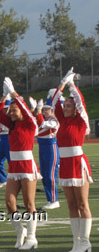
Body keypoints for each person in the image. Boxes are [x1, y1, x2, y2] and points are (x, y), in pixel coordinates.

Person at [0, 77, 41, 250]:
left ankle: (32, 237)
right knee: (9, 202)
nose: (12, 113)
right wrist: (4, 97)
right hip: (14, 166)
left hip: (27, 166)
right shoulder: (10, 125)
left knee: (29, 203)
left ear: (22, 111)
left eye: (15, 110)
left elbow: (27, 111)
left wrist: (14, 93)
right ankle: (20, 231)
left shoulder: (29, 123)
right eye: (11, 111)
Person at [52, 67, 93, 252]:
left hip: (78, 162)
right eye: (65, 106)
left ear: (75, 109)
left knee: (82, 203)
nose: (65, 108)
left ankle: (85, 242)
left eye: (69, 106)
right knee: (71, 204)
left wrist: (72, 86)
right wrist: (62, 83)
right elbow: (53, 102)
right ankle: (76, 242)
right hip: (66, 164)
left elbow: (81, 102)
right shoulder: (61, 120)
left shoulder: (81, 121)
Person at [33, 91, 60, 210]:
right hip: (42, 147)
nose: (45, 111)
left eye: (47, 109)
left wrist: (38, 111)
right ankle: (50, 199)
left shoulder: (54, 120)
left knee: (50, 175)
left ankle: (54, 200)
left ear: (52, 109)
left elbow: (43, 124)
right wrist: (34, 109)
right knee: (44, 175)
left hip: (51, 147)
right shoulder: (44, 119)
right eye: (44, 109)